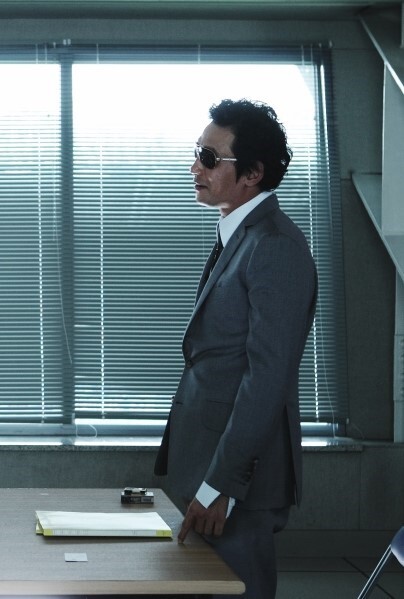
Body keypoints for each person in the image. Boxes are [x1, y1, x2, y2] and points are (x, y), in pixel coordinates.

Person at [154, 99, 317, 599]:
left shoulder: (274, 246)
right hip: (209, 468)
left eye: (209, 158)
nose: (194, 168)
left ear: (252, 173)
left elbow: (267, 380)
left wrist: (219, 486)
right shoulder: (239, 236)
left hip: (236, 485)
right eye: (196, 153)